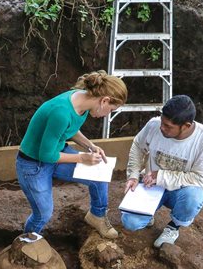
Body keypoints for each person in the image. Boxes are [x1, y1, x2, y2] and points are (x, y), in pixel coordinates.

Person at [16, 71, 127, 239]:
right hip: (33, 164)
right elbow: (46, 155)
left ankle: (96, 215)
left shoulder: (81, 104)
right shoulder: (61, 112)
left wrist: (90, 145)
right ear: (104, 101)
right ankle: (26, 245)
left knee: (100, 173)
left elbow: (71, 129)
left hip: (55, 153)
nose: (108, 115)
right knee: (43, 214)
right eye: (111, 110)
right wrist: (82, 158)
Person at [121, 94, 203, 248]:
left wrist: (160, 176)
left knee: (193, 198)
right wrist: (133, 175)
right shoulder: (153, 125)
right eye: (162, 122)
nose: (162, 128)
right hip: (149, 186)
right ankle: (148, 213)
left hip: (179, 191)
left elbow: (201, 179)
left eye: (168, 126)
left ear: (186, 125)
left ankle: (173, 227)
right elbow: (138, 146)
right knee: (130, 223)